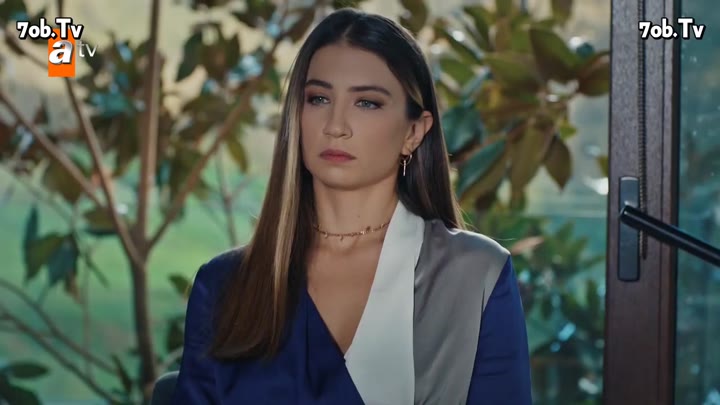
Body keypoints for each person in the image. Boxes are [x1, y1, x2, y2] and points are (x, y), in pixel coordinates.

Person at [170, 7, 532, 405]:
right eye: (319, 98)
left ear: (414, 132)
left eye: (367, 103)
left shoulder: (475, 275)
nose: (335, 126)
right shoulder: (225, 286)